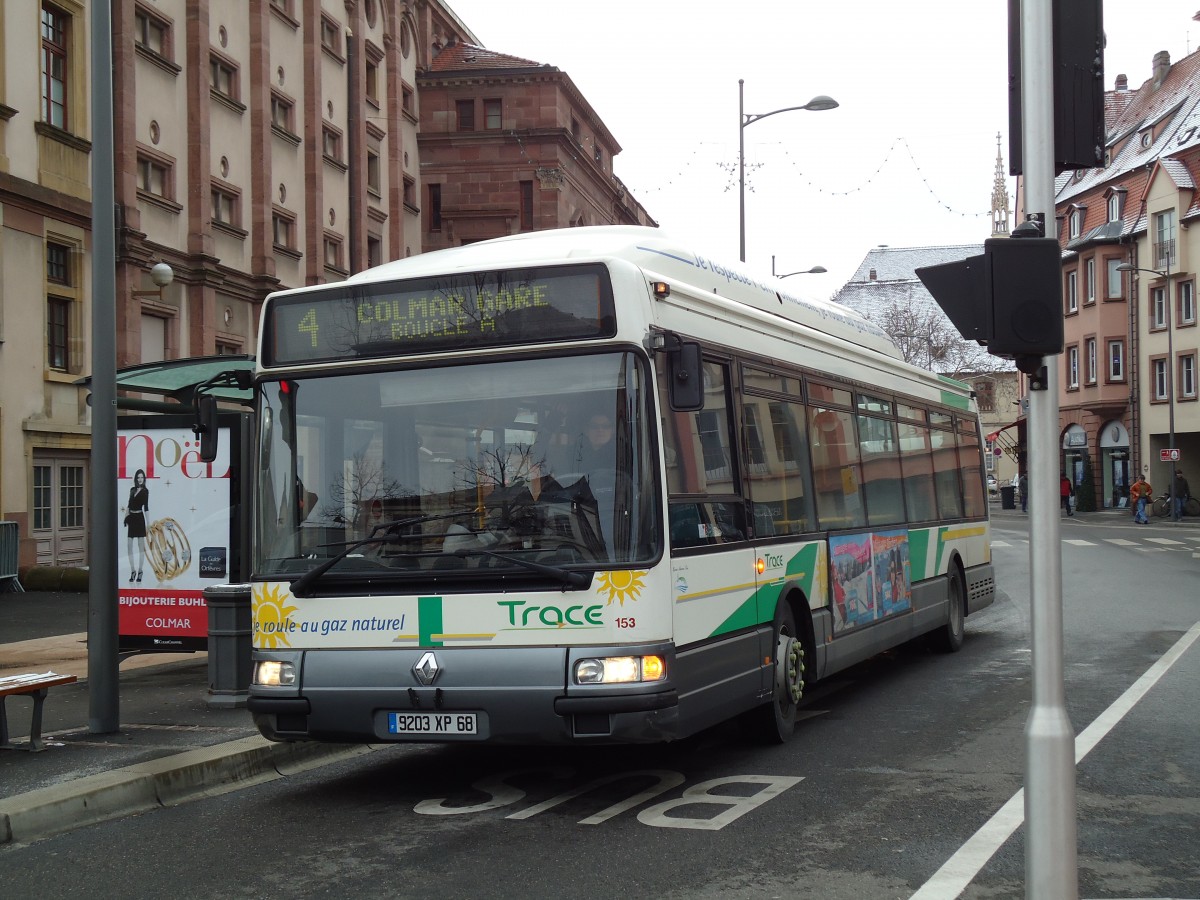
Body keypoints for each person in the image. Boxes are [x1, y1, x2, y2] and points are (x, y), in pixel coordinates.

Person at [125, 469, 149, 582]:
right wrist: (126, 517)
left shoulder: (145, 491)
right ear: (136, 478)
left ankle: (140, 570)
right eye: (138, 477)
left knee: (140, 547)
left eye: (142, 477)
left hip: (140, 518)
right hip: (132, 518)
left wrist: (148, 524)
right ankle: (132, 570)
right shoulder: (132, 490)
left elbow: (146, 508)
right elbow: (129, 505)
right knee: (129, 545)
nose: (140, 479)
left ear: (144, 479)